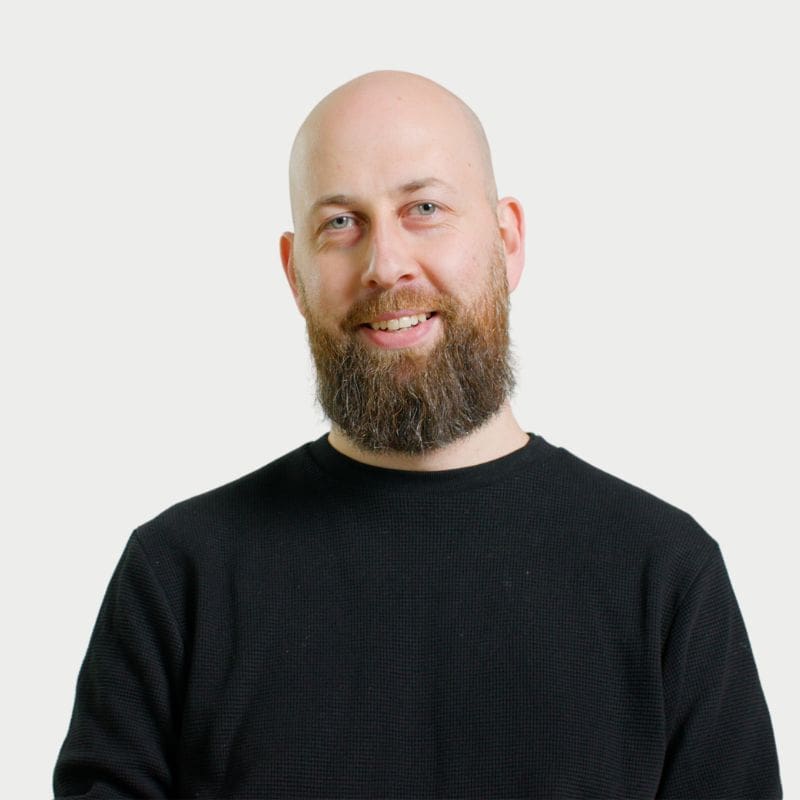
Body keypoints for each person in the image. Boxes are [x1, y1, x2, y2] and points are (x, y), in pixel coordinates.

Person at [53, 70, 781, 799]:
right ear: (294, 273)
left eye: (424, 208)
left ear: (507, 240)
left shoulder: (664, 575)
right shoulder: (179, 580)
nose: (385, 265)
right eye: (340, 223)